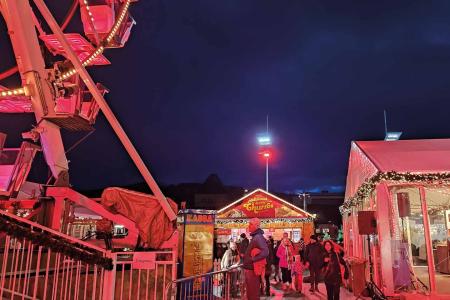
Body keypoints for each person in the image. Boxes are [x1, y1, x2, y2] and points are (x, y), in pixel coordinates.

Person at [243, 218, 269, 300]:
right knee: (251, 294)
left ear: (257, 226)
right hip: (250, 270)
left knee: (253, 294)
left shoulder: (258, 237)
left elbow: (265, 252)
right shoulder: (256, 237)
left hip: (252, 271)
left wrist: (252, 259)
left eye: (251, 224)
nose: (249, 226)